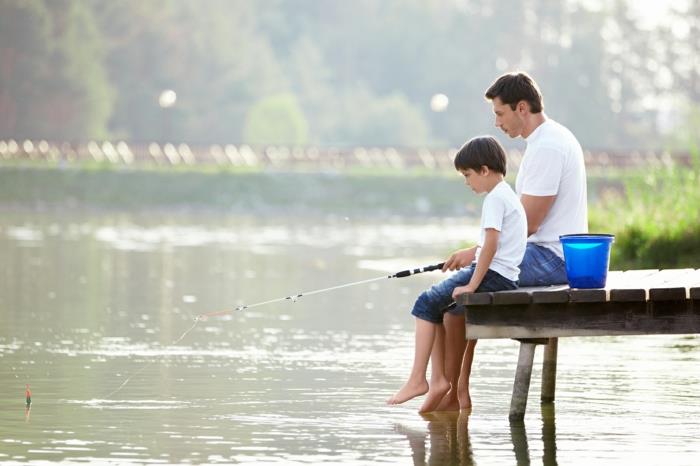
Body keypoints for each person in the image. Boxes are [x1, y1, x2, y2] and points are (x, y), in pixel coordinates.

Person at [438, 71, 589, 411]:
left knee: (458, 293)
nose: (497, 123)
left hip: (553, 258)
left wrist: (477, 253)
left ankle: (454, 392)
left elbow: (529, 224)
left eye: (500, 113)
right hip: (548, 252)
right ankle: (456, 388)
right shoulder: (548, 139)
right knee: (466, 285)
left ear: (522, 108)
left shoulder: (547, 146)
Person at [387, 136, 527, 412]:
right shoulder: (507, 195)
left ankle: (419, 379)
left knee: (424, 303)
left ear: (484, 170)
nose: (467, 182)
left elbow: (490, 245)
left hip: (492, 276)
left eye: (468, 175)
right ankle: (438, 381)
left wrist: (473, 284)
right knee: (437, 307)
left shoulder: (495, 199)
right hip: (504, 275)